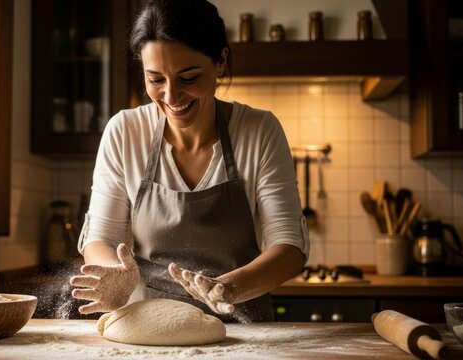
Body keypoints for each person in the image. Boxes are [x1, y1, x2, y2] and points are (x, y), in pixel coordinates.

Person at [69, 0, 309, 322]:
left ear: (220, 62)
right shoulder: (125, 132)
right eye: (155, 80)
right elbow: (101, 238)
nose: (171, 97)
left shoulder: (259, 131)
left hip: (243, 332)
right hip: (146, 329)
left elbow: (289, 248)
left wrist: (229, 288)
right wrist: (116, 274)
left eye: (188, 78)